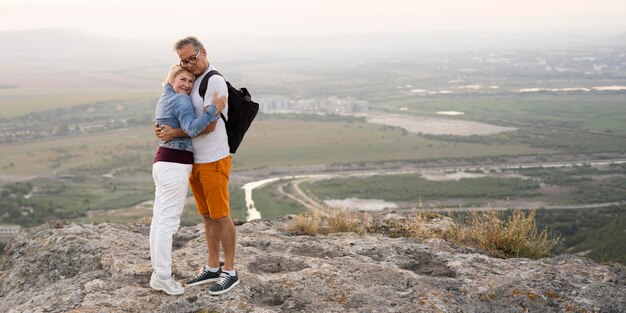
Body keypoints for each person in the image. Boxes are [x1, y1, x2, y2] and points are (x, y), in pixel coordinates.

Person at [157, 36, 239, 296]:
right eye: (184, 61)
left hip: (214, 158)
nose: (189, 64)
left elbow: (210, 124)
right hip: (196, 160)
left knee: (221, 215)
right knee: (207, 216)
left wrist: (174, 133)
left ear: (203, 52)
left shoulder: (214, 80)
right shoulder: (192, 82)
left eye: (193, 58)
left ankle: (230, 271)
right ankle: (212, 266)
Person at [149, 64, 226, 296]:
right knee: (168, 223)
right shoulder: (181, 100)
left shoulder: (164, 98)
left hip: (163, 161)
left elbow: (172, 127)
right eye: (182, 79)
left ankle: (157, 274)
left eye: (191, 82)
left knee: (159, 219)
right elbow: (192, 128)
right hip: (175, 163)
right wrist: (215, 109)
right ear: (171, 78)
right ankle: (163, 276)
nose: (187, 84)